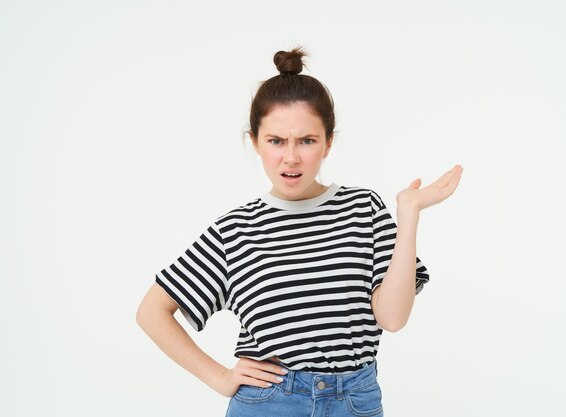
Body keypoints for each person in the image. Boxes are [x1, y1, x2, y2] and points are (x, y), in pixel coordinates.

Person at [136, 46, 463, 417]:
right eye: (276, 141)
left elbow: (392, 319)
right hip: (269, 403)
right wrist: (220, 377)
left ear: (328, 143)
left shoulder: (363, 209)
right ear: (255, 142)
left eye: (306, 141)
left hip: (355, 402)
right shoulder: (236, 230)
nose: (291, 157)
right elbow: (152, 311)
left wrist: (409, 215)